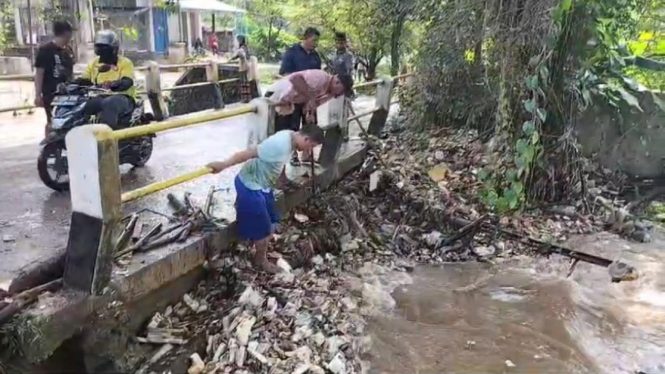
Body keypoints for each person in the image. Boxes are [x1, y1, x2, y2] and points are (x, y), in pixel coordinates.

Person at [206, 125, 325, 273]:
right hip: (250, 185)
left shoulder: (291, 137)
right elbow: (247, 154)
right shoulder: (279, 144)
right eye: (311, 146)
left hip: (264, 184)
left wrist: (284, 181)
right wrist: (223, 165)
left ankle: (252, 234)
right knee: (264, 230)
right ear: (306, 139)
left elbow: (279, 163)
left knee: (274, 220)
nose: (309, 150)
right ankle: (260, 260)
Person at [265, 69, 354, 164]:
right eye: (342, 90)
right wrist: (310, 98)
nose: (340, 94)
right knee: (277, 136)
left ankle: (280, 170)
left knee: (285, 138)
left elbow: (313, 105)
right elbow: (295, 78)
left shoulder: (330, 94)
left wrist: (310, 113)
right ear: (337, 82)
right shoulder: (321, 77)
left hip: (288, 104)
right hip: (276, 98)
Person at [73, 30, 137, 129]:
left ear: (114, 49)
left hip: (124, 98)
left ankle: (107, 140)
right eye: (99, 48)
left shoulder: (125, 63)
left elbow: (127, 81)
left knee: (110, 103)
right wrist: (72, 84)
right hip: (100, 97)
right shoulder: (94, 64)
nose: (102, 51)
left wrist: (114, 84)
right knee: (83, 105)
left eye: (104, 48)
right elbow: (85, 79)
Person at [34, 20, 75, 135]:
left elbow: (71, 72)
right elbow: (39, 73)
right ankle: (49, 145)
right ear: (66, 33)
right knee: (52, 120)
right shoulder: (45, 50)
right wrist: (38, 95)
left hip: (68, 93)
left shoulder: (68, 51)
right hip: (51, 93)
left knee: (66, 120)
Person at [231, 35, 253, 103]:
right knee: (246, 83)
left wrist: (230, 58)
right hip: (247, 67)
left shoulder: (240, 50)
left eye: (236, 41)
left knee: (243, 84)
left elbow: (234, 57)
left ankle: (244, 99)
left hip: (243, 68)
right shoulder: (245, 48)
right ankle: (248, 98)